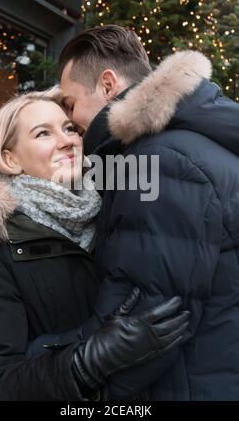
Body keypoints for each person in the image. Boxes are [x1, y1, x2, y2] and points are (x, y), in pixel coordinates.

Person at [0, 86, 189, 401]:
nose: (67, 141)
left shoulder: (113, 212)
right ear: (10, 158)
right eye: (43, 134)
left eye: (69, 128)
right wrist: (86, 363)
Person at [58, 24, 239, 400]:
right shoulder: (190, 143)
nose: (72, 122)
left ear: (108, 85)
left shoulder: (156, 161)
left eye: (71, 103)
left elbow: (149, 324)